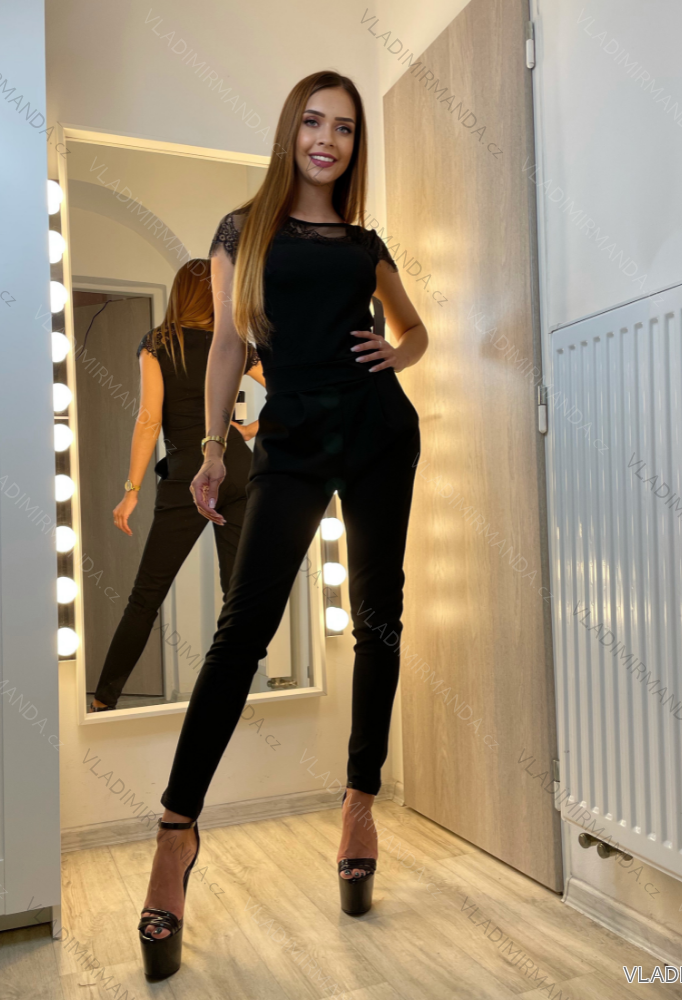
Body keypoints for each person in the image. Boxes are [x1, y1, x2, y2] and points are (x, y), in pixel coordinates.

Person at [137, 71, 429, 979]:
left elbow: (414, 331)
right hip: (293, 437)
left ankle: (358, 802)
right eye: (313, 122)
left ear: (354, 146)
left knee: (379, 620)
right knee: (241, 633)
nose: (327, 140)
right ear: (289, 131)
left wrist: (397, 352)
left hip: (379, 433)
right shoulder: (243, 231)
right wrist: (211, 448)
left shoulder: (365, 242)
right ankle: (176, 832)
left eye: (344, 128)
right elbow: (229, 342)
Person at [90, 258, 264, 713]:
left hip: (189, 473)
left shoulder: (159, 343)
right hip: (238, 470)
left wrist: (131, 489)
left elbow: (149, 421)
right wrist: (246, 432)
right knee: (238, 594)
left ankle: (105, 697)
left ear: (180, 293)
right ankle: (229, 695)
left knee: (147, 594)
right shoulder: (235, 344)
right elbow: (291, 389)